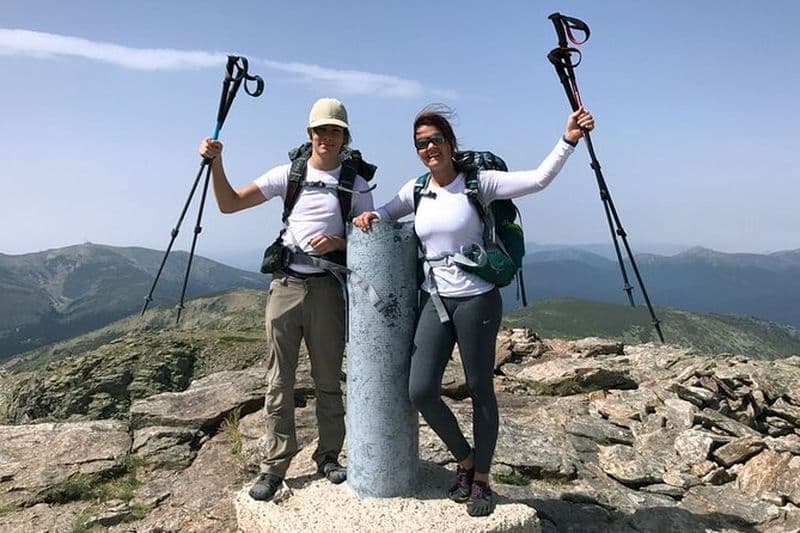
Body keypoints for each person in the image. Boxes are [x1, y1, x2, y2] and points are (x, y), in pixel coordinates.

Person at [353, 104, 594, 516]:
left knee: (480, 386)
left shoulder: (477, 184)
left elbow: (537, 180)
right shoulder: (417, 190)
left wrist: (568, 139)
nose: (429, 148)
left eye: (434, 140)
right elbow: (385, 213)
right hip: (434, 299)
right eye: (420, 144)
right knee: (421, 390)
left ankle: (481, 478)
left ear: (449, 142)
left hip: (477, 297)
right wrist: (367, 216)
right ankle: (464, 460)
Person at [200, 98, 375, 501]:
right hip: (286, 285)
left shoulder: (355, 184)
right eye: (320, 130)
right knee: (278, 380)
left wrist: (340, 241)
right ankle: (275, 466)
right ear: (309, 134)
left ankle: (328, 456)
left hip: (328, 288)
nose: (326, 137)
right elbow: (229, 204)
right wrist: (216, 164)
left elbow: (369, 239)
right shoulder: (290, 174)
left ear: (345, 136)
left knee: (328, 378)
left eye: (334, 130)